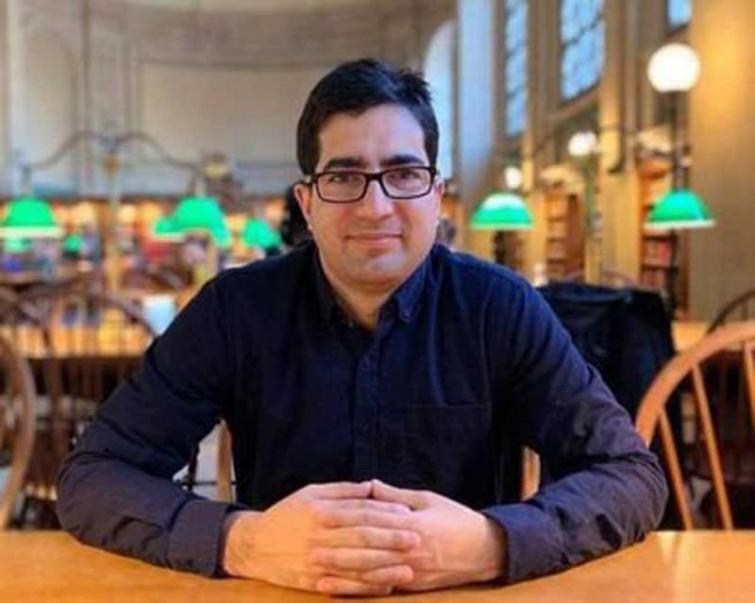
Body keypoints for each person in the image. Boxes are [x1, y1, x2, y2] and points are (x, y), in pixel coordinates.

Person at [57, 59, 666, 596]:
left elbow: (632, 476)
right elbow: (91, 476)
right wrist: (243, 541)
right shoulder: (235, 310)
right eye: (344, 177)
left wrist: (494, 542)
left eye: (404, 174)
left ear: (436, 195)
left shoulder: (498, 307)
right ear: (307, 203)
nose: (375, 207)